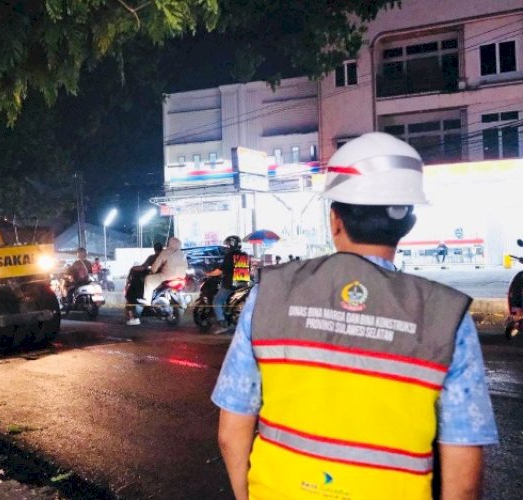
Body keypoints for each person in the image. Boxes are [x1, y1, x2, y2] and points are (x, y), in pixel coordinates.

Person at [212, 132, 497, 500]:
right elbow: (464, 474)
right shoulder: (447, 317)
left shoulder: (270, 294)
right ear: (407, 223)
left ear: (335, 220)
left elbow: (230, 431)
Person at [205, 235, 250, 335]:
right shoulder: (245, 255)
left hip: (230, 285)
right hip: (242, 284)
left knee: (216, 301)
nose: (226, 247)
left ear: (231, 245)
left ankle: (222, 323)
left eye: (227, 245)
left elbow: (220, 271)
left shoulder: (230, 256)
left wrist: (207, 274)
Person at [125, 242, 163, 325]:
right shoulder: (167, 257)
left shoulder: (153, 258)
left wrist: (133, 269)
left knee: (133, 295)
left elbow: (143, 267)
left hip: (155, 281)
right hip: (165, 279)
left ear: (154, 249)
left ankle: (134, 317)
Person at [141, 237, 187, 305]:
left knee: (148, 279)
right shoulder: (182, 254)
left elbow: (154, 267)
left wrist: (152, 271)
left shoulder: (165, 252)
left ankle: (147, 301)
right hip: (181, 278)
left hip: (167, 277)